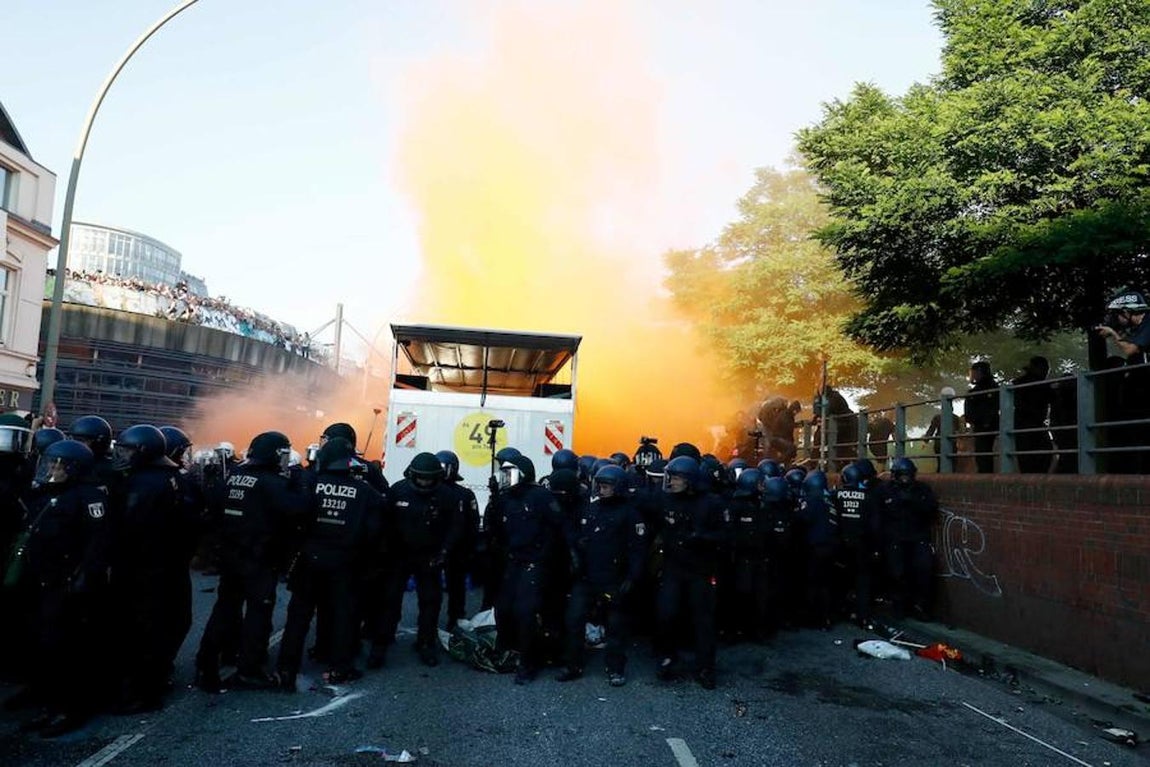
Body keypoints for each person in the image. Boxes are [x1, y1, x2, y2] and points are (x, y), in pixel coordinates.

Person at [195, 431, 309, 692]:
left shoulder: (234, 477)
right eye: (282, 454)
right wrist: (301, 481)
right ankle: (249, 669)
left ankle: (206, 663)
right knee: (259, 613)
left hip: (231, 556)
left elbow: (214, 509)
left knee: (225, 609)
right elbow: (299, 509)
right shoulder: (272, 483)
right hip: (259, 559)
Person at [17, 440, 110, 737]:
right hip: (42, 581)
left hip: (69, 585)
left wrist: (83, 579)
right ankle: (49, 704)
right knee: (43, 645)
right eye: (50, 464)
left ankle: (72, 709)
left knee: (69, 650)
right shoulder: (44, 494)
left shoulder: (89, 497)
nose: (52, 471)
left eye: (59, 466)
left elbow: (98, 544)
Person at [276, 438, 383, 689]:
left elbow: (291, 519)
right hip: (345, 563)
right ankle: (339, 668)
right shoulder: (365, 492)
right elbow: (374, 531)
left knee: (298, 616)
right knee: (343, 616)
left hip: (308, 560)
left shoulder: (308, 484)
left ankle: (286, 670)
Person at [107, 425, 194, 714]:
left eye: (127, 451)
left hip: (143, 569)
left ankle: (137, 692)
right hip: (168, 566)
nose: (121, 456)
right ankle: (149, 685)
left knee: (139, 630)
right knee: (163, 626)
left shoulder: (141, 484)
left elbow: (127, 529)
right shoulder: (174, 478)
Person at [557, 464, 646, 687]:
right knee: (573, 620)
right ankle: (572, 665)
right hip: (586, 577)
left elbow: (638, 550)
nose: (602, 489)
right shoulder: (590, 509)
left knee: (615, 626)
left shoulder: (630, 514)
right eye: (600, 485)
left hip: (613, 579)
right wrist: (578, 544)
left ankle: (615, 668)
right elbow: (574, 531)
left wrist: (632, 579)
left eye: (607, 486)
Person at [487, 454, 566, 684]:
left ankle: (528, 661)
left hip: (537, 561)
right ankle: (508, 648)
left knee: (526, 611)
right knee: (502, 607)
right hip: (514, 560)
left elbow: (559, 527)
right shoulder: (505, 498)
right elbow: (498, 530)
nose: (505, 478)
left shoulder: (541, 497)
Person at [377, 452, 460, 668]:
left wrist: (444, 552)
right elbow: (384, 522)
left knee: (431, 601)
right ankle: (381, 643)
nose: (424, 482)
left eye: (429, 478)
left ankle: (426, 643)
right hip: (399, 554)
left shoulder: (446, 496)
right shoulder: (398, 490)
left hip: (429, 556)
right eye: (421, 477)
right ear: (413, 475)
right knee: (389, 600)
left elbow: (454, 527)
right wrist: (385, 551)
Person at [651, 455, 727, 690]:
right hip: (674, 568)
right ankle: (668, 659)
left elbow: (726, 535)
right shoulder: (665, 499)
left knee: (703, 621)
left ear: (690, 480)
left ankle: (705, 667)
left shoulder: (711, 503)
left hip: (700, 570)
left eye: (676, 478)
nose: (670, 482)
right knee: (666, 614)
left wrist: (702, 538)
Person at [879, 457, 939, 620]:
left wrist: (914, 502)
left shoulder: (922, 490)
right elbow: (878, 515)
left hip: (917, 537)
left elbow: (932, 510)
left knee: (922, 572)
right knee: (897, 574)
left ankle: (920, 606)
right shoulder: (885, 490)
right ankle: (899, 607)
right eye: (902, 475)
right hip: (895, 539)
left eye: (907, 475)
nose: (905, 479)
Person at [437, 450, 480, 632]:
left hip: (456, 548)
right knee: (434, 589)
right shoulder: (430, 490)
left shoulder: (464, 494)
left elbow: (473, 522)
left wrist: (470, 547)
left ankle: (455, 617)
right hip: (439, 546)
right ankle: (449, 618)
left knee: (456, 586)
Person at [1011, 356, 1054, 473]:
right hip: (1032, 424)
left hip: (1024, 425)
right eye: (1045, 369)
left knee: (1027, 458)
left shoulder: (1018, 383)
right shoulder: (1042, 385)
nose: (1046, 372)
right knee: (1042, 453)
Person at [964, 362, 1000, 473]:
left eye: (974, 373)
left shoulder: (987, 389)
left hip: (985, 426)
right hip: (986, 425)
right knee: (983, 454)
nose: (973, 376)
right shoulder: (992, 387)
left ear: (980, 372)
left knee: (983, 454)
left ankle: (985, 475)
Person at [922, 388, 963, 472]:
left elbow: (931, 430)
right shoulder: (955, 418)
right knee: (952, 463)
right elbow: (959, 431)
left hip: (939, 442)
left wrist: (925, 441)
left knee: (941, 463)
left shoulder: (937, 417)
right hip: (951, 442)